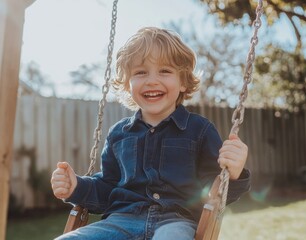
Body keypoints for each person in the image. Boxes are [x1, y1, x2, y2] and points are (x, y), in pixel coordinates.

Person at [51, 27, 250, 240]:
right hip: (121, 220)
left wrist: (234, 173)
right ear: (128, 84)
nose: (152, 80)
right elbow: (107, 188)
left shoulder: (199, 130)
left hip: (176, 222)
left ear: (183, 82)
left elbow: (214, 191)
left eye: (165, 71)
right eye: (140, 72)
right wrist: (76, 187)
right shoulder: (119, 134)